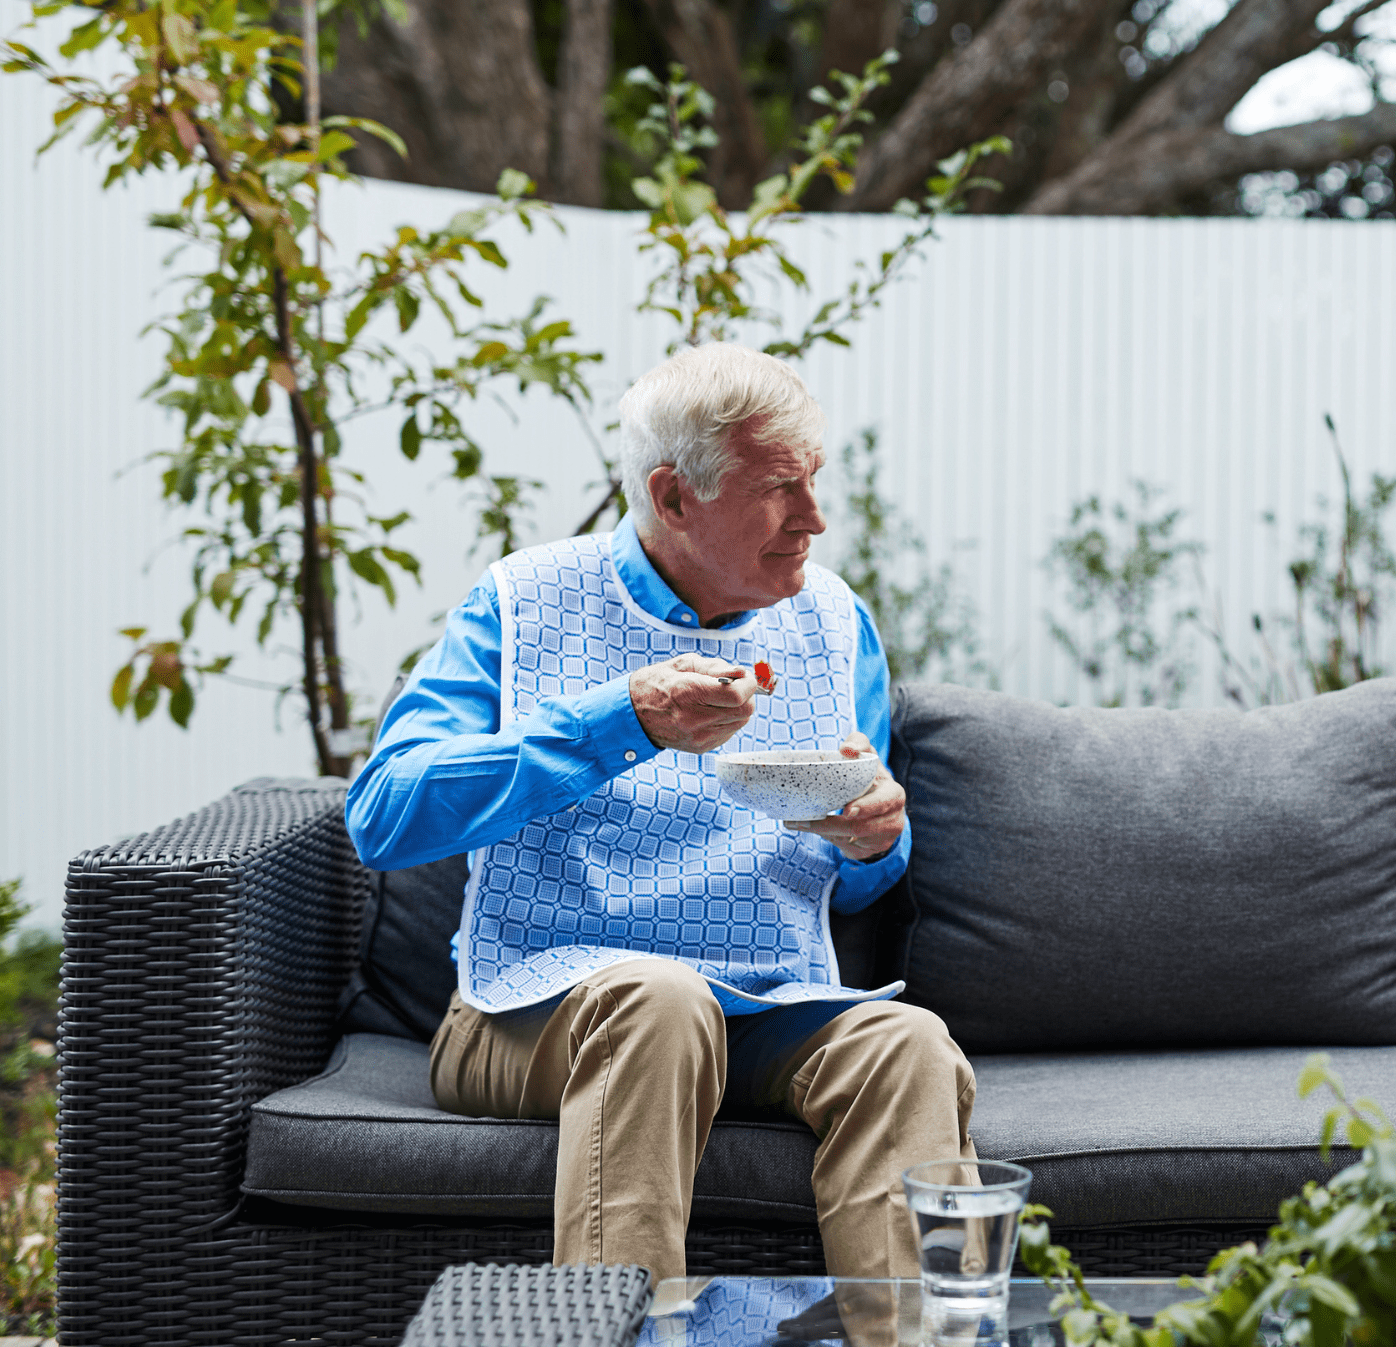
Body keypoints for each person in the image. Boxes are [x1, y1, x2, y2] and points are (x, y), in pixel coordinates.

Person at [345, 342, 975, 1286]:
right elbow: (385, 817)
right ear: (674, 497)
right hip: (531, 1004)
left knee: (909, 1044)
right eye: (778, 488)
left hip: (768, 1003)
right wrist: (620, 721)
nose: (814, 517)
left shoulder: (832, 624)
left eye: (814, 482)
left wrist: (874, 838)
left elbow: (865, 873)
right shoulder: (523, 603)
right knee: (661, 999)